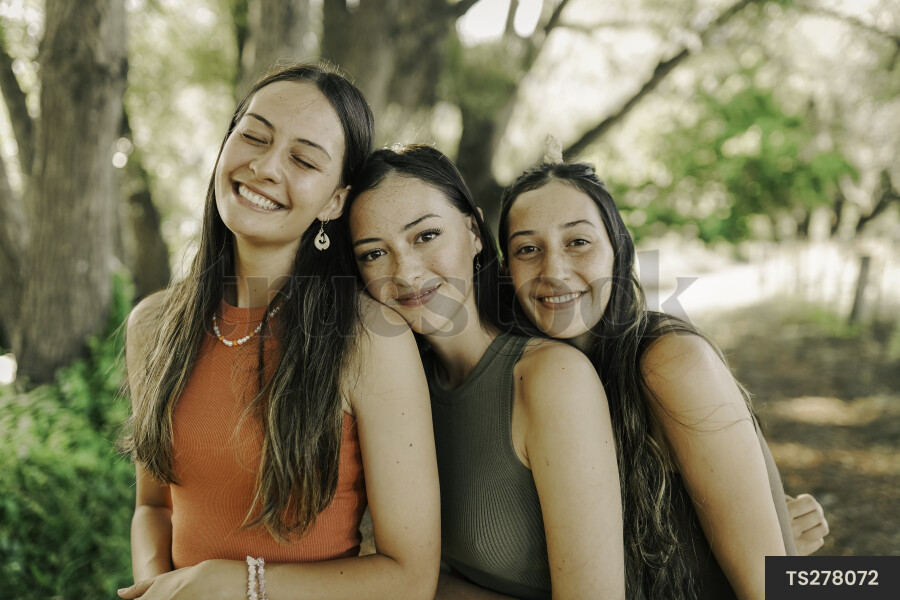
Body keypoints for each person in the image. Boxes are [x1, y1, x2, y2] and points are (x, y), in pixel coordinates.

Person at [117, 63, 440, 600]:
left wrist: (243, 585)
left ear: (335, 200)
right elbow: (154, 506)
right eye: (254, 137)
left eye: (303, 159)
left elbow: (409, 577)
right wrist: (159, 589)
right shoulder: (154, 325)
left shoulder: (369, 338)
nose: (265, 167)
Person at [499, 158, 830, 599]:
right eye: (527, 249)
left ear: (618, 249)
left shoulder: (668, 361)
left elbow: (770, 586)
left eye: (578, 241)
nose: (554, 270)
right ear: (507, 270)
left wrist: (792, 558)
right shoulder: (525, 382)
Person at [346, 145, 625, 600]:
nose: (407, 273)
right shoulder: (396, 397)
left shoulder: (550, 378)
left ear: (474, 232)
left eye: (425, 236)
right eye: (374, 254)